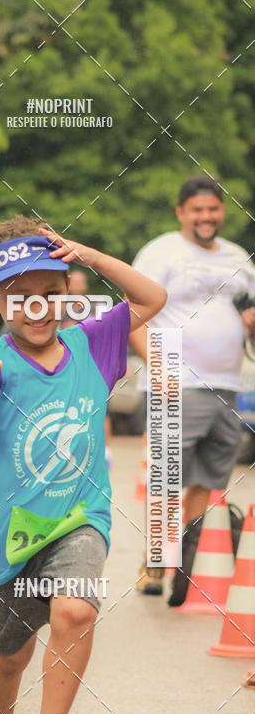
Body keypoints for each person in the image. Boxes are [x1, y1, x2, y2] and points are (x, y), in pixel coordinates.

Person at [0, 216, 165, 714]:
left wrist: (88, 253)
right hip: (9, 535)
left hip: (78, 518)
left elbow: (152, 297)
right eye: (20, 296)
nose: (37, 307)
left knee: (74, 607)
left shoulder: (93, 344)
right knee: (10, 655)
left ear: (68, 291)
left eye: (50, 291)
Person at [130, 175, 255, 596]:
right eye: (197, 209)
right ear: (181, 212)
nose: (206, 216)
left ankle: (187, 559)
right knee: (166, 476)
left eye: (213, 209)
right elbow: (133, 313)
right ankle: (155, 565)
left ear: (222, 212)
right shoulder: (161, 251)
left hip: (227, 383)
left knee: (207, 476)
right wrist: (157, 365)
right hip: (175, 380)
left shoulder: (238, 256)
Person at [61, 269, 113, 467]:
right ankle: (72, 447)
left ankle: (105, 451)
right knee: (72, 405)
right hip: (70, 364)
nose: (77, 285)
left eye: (80, 281)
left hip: (93, 363)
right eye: (74, 281)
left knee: (101, 405)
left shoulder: (95, 307)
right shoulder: (60, 307)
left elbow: (104, 334)